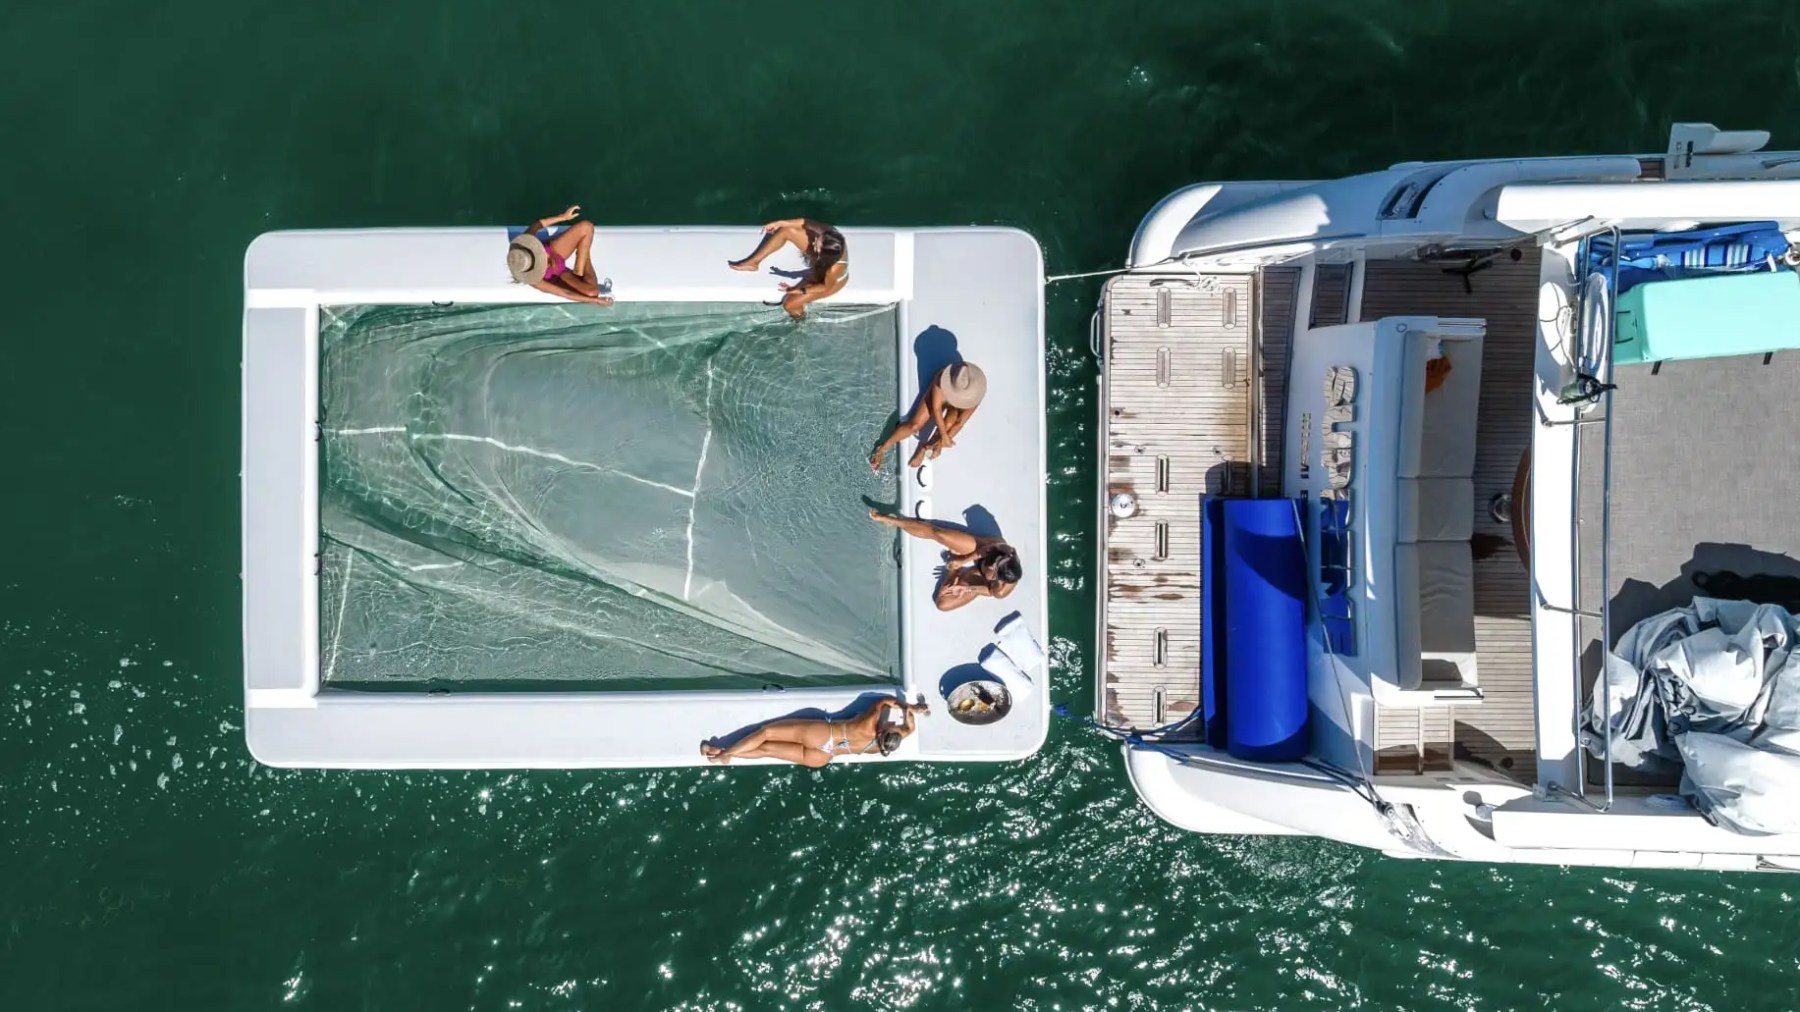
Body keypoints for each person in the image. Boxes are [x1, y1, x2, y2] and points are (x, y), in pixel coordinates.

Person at [700, 695, 929, 767]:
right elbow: (909, 730)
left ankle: (727, 753)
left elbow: (885, 702)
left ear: (882, 732)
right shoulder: (880, 748)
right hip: (823, 757)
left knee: (766, 733)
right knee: (767, 750)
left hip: (823, 734)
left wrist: (910, 708)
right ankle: (717, 752)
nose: (892, 724)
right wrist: (912, 714)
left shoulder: (869, 723)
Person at [868, 509, 1021, 611]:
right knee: (939, 534)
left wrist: (966, 588)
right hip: (982, 548)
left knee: (942, 604)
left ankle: (953, 570)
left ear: (996, 575)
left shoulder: (1000, 590)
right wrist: (963, 560)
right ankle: (893, 521)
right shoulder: (1002, 549)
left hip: (980, 577)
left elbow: (989, 591)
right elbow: (982, 551)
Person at [869, 362, 987, 471]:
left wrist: (942, 442)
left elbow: (960, 422)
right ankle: (881, 449)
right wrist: (944, 435)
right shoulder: (942, 380)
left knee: (950, 422)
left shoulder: (975, 394)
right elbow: (936, 409)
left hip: (960, 402)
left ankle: (925, 448)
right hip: (943, 394)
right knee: (915, 426)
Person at [728, 218, 848, 319]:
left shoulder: (834, 269)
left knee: (790, 305)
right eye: (818, 237)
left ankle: (800, 320)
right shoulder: (829, 234)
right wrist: (780, 223)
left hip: (829, 282)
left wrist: (800, 290)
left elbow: (825, 286)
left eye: (817, 242)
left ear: (823, 253)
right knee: (787, 230)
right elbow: (805, 222)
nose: (814, 240)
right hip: (821, 260)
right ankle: (753, 263)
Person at [507, 205, 613, 305]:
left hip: (554, 251)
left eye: (539, 255)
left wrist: (563, 217)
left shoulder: (524, 242)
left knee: (586, 227)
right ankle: (585, 256)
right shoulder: (536, 281)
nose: (546, 261)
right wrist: (596, 300)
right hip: (557, 273)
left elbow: (538, 224)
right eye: (541, 264)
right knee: (592, 292)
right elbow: (565, 293)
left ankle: (582, 262)